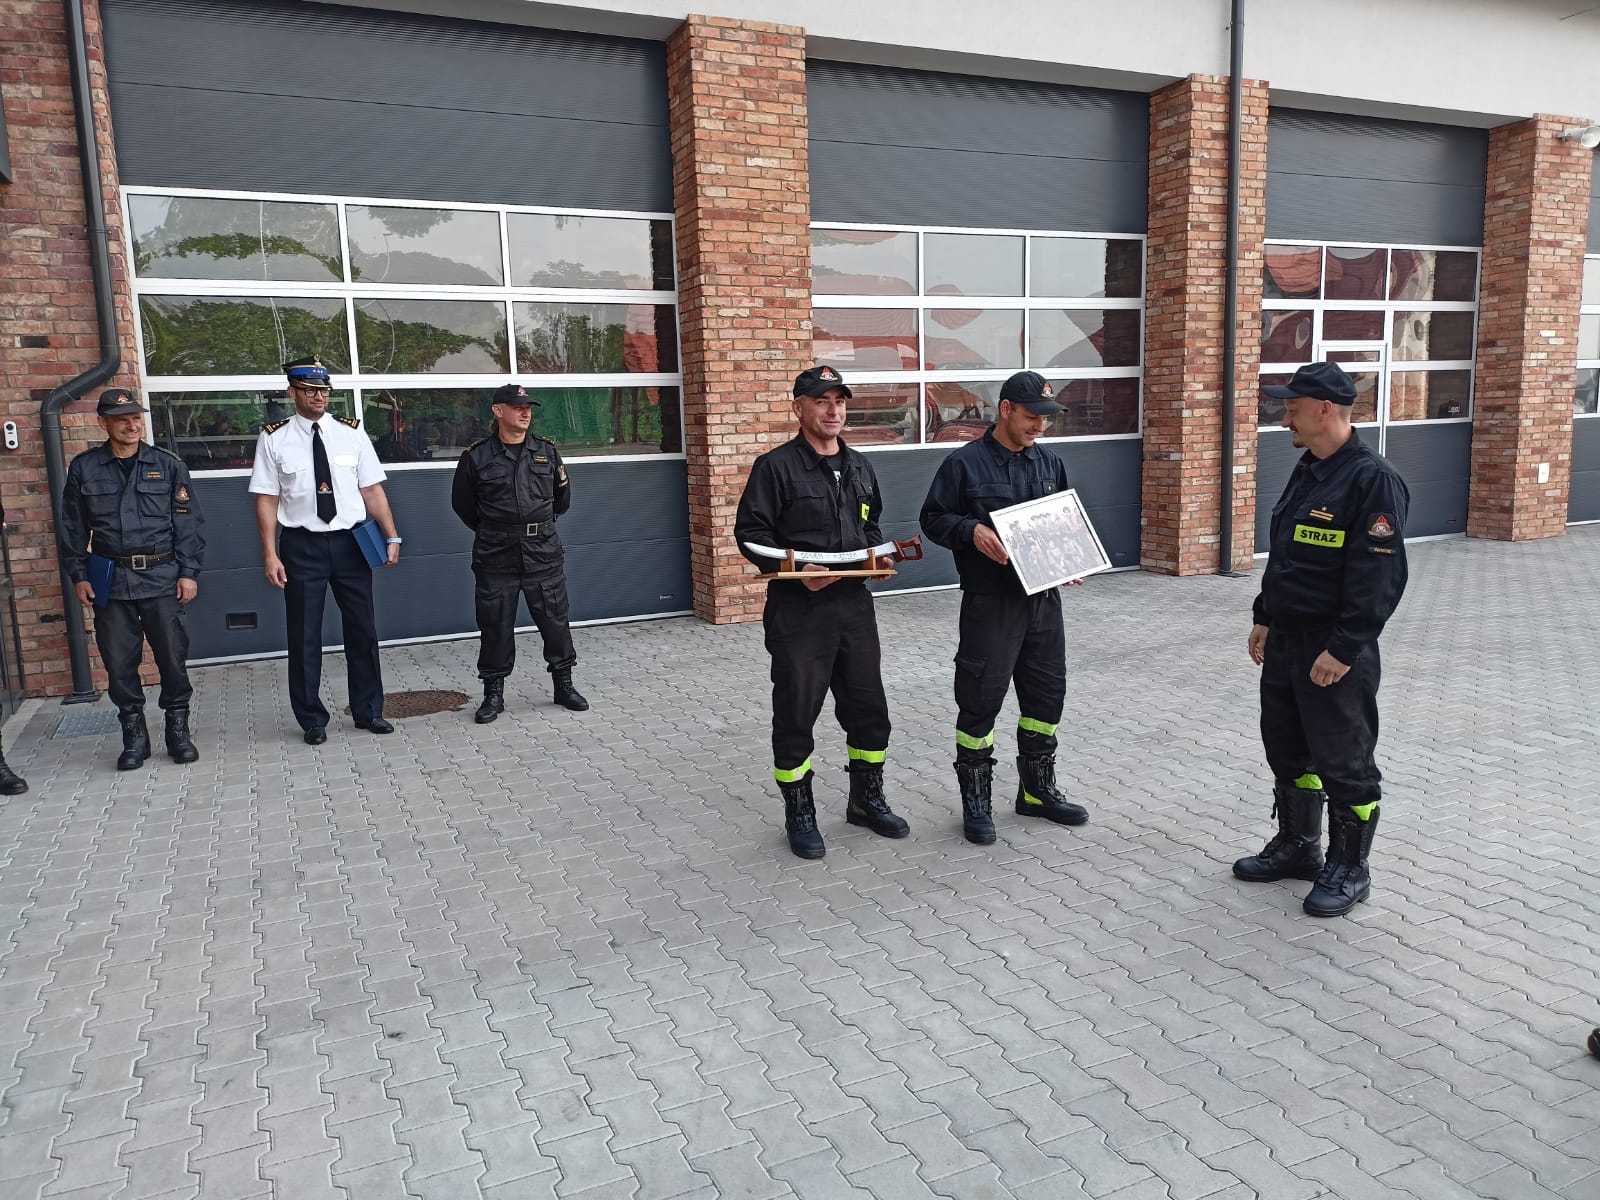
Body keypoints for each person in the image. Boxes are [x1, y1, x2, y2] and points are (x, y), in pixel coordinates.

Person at [1236, 361, 1409, 917]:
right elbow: (1288, 555)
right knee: (1287, 747)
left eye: (1292, 407)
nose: (1285, 417)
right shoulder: (1310, 468)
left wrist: (1344, 647)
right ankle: (1299, 846)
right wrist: (1265, 615)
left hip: (1331, 649)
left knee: (1344, 760)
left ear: (1325, 408)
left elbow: (1380, 578)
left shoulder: (1371, 479)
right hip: (1287, 640)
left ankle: (1351, 869)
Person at [733, 365, 910, 860]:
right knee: (796, 713)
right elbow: (751, 535)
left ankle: (866, 800)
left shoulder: (860, 467)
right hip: (799, 612)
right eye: (822, 401)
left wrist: (877, 557)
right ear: (799, 408)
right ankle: (800, 813)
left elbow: (870, 525)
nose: (834, 411)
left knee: (869, 709)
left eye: (840, 401)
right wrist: (794, 568)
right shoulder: (775, 467)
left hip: (854, 607)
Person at [920, 370, 1089, 845]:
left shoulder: (1049, 463)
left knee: (1046, 699)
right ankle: (977, 802)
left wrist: (1069, 558)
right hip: (990, 604)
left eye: (1047, 419)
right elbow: (933, 518)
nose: (1040, 426)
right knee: (980, 702)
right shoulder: (964, 464)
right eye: (1033, 416)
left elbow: (1062, 523)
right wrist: (970, 530)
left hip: (1044, 603)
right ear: (1006, 409)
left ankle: (1036, 792)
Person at [248, 357, 400, 745]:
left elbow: (371, 489)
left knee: (362, 629)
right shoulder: (274, 438)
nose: (319, 397)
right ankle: (312, 719)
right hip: (302, 545)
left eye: (324, 390)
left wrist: (392, 536)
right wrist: (270, 553)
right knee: (304, 635)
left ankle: (369, 710)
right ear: (292, 393)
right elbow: (266, 498)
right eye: (310, 390)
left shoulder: (352, 433)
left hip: (351, 543)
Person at [58, 387, 206, 769]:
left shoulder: (168, 465)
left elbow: (188, 525)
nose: (131, 425)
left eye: (136, 418)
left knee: (172, 657)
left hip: (161, 576)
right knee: (119, 663)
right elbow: (73, 527)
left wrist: (189, 573)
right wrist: (78, 575)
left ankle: (178, 731)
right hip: (110, 579)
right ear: (103, 423)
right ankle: (134, 737)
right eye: (121, 419)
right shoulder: (85, 468)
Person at [450, 383, 588, 722]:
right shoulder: (477, 456)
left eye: (528, 408)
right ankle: (493, 695)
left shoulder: (546, 452)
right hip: (496, 554)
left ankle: (564, 686)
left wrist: (534, 527)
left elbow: (561, 501)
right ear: (498, 411)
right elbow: (463, 506)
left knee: (555, 621)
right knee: (495, 625)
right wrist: (499, 530)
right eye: (517, 407)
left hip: (542, 552)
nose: (525, 413)